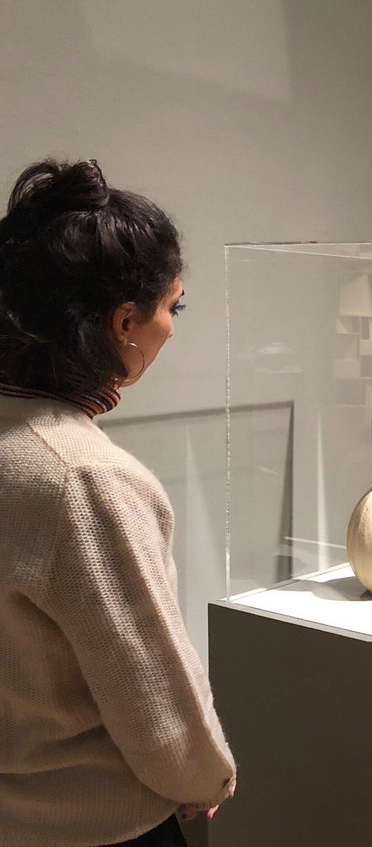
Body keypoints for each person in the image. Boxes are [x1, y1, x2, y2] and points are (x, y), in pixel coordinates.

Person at [0, 160, 236, 845]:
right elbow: (153, 696)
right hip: (92, 826)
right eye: (172, 307)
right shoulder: (81, 481)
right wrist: (207, 780)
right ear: (124, 321)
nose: (172, 328)